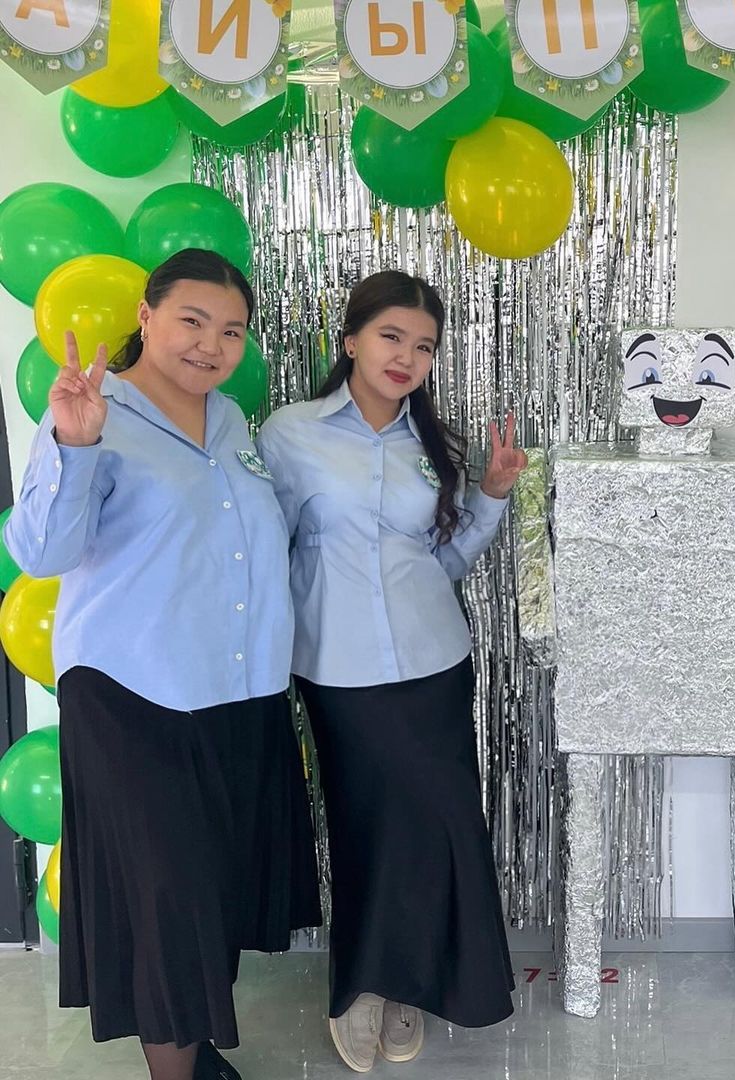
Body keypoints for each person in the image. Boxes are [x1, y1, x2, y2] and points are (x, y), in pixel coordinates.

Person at [4, 249, 321, 1080]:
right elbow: (42, 552)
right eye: (192, 320)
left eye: (232, 331)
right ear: (146, 317)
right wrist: (73, 444)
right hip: (134, 697)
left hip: (239, 693)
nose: (211, 344)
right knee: (167, 903)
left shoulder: (232, 422)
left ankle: (197, 1049)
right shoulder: (93, 411)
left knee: (215, 888)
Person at [256, 270, 524, 1073]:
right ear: (351, 341)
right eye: (391, 337)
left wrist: (492, 496)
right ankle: (359, 990)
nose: (407, 356)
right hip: (337, 669)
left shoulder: (433, 447)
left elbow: (446, 562)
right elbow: (268, 552)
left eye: (424, 346)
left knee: (439, 828)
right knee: (364, 826)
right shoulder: (290, 434)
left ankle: (409, 985)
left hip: (434, 661)